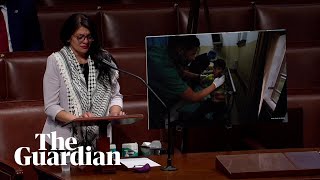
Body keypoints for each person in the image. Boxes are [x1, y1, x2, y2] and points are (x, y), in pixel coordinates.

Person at [42, 13, 124, 150]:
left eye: (89, 37)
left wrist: (114, 112)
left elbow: (115, 96)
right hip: (65, 141)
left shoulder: (104, 59)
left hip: (100, 139)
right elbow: (51, 106)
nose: (85, 41)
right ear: (68, 37)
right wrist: (78, 120)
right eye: (80, 37)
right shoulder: (56, 61)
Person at [147, 35, 225, 129]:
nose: (193, 58)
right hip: (156, 105)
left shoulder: (170, 54)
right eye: (192, 54)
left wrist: (199, 77)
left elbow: (182, 72)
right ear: (181, 50)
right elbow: (193, 97)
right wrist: (215, 84)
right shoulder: (162, 64)